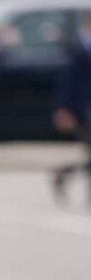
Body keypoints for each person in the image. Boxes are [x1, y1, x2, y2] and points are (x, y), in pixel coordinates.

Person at [52, 13, 91, 202]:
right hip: (82, 110)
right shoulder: (76, 49)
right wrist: (64, 109)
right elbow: (67, 83)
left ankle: (64, 173)